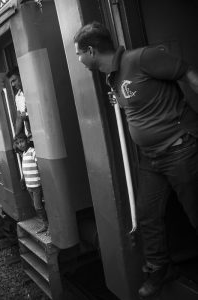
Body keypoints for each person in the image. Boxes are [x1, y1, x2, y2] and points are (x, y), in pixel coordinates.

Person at [74, 21, 198, 298]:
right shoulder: (113, 77)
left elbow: (186, 71)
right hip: (151, 158)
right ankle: (160, 270)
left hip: (180, 149)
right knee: (147, 215)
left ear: (91, 51)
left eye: (79, 54)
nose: (79, 60)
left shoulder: (142, 58)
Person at [14, 132, 48, 233]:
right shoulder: (23, 154)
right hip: (30, 186)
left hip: (36, 185)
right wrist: (23, 179)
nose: (20, 144)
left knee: (38, 207)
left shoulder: (33, 151)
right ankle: (45, 224)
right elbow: (25, 169)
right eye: (18, 143)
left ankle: (47, 224)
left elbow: (39, 166)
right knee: (36, 206)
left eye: (22, 141)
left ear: (27, 141)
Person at [6, 68, 32, 138]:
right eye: (11, 82)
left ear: (21, 76)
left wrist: (26, 115)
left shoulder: (33, 90)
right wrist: (16, 136)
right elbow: (18, 118)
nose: (13, 84)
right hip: (30, 137)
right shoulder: (18, 96)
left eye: (14, 80)